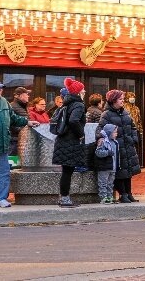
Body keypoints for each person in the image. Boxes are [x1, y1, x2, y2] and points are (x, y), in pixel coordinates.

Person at [0, 81, 39, 207]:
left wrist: (27, 122)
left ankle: (1, 198)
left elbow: (14, 118)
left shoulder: (4, 102)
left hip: (3, 145)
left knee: (4, 173)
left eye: (0, 89)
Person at [97, 90, 141, 203]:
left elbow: (133, 127)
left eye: (123, 99)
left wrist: (134, 139)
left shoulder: (125, 112)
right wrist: (105, 140)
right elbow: (100, 130)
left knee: (128, 171)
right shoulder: (106, 114)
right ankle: (122, 194)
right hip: (116, 147)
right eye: (120, 99)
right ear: (113, 100)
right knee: (119, 171)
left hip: (127, 146)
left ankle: (129, 193)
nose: (123, 101)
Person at [51, 78, 87, 208]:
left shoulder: (67, 103)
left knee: (66, 171)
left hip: (63, 140)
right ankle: (65, 198)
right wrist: (81, 134)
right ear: (78, 92)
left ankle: (63, 197)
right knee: (68, 171)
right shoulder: (78, 105)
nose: (84, 91)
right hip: (71, 142)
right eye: (82, 89)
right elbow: (73, 121)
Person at [95, 124, 119, 204]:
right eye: (115, 132)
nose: (116, 134)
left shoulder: (115, 142)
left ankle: (110, 197)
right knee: (103, 183)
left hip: (113, 167)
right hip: (104, 167)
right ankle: (103, 197)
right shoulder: (103, 141)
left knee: (110, 183)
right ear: (109, 133)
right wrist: (108, 153)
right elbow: (98, 152)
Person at [9, 86, 30, 155]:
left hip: (21, 140)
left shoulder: (23, 107)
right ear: (19, 96)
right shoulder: (12, 106)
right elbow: (10, 123)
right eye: (26, 94)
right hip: (14, 141)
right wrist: (23, 132)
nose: (28, 96)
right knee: (13, 162)